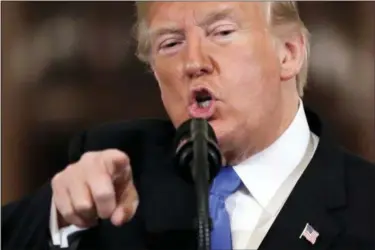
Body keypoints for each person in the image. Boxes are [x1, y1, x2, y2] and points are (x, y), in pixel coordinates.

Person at [3, 2, 375, 250]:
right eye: (170, 43)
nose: (193, 62)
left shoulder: (366, 203)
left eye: (223, 33)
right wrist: (60, 216)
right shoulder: (115, 171)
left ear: (288, 53)